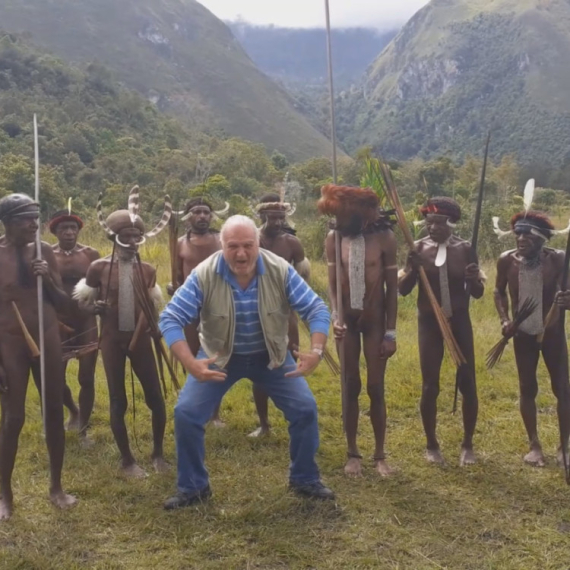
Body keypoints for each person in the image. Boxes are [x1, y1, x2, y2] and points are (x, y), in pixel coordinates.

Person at [160, 215, 334, 509]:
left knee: (305, 409)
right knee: (187, 413)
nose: (241, 254)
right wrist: (190, 362)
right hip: (219, 356)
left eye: (247, 245)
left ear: (258, 243)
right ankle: (193, 487)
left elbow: (316, 308)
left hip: (272, 356)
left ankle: (305, 478)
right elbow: (171, 317)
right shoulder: (204, 273)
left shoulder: (280, 270)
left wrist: (316, 352)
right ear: (221, 246)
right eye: (232, 247)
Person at [74, 188, 171, 477]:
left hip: (140, 342)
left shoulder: (149, 270)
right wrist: (96, 309)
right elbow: (83, 304)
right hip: (112, 342)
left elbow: (152, 308)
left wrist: (148, 333)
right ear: (113, 237)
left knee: (155, 396)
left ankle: (158, 453)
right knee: (118, 400)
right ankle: (127, 459)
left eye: (135, 236)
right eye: (125, 236)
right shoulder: (98, 267)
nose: (131, 241)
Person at [0, 194, 76, 521]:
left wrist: (45, 277)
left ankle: (56, 487)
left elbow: (62, 302)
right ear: (7, 222)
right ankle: (5, 496)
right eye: (25, 219)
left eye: (35, 217)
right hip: (10, 343)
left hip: (46, 338)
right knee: (13, 419)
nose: (33, 224)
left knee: (52, 411)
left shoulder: (44, 251)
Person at [318, 184, 398, 476]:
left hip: (375, 321)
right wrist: (335, 316)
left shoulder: (385, 238)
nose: (376, 213)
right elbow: (332, 283)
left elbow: (391, 290)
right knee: (350, 385)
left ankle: (379, 455)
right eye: (371, 209)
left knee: (376, 387)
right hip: (347, 324)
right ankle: (352, 453)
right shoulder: (334, 238)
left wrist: (391, 333)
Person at [399, 197, 484, 466]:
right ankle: (431, 445)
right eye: (429, 222)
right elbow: (403, 290)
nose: (432, 227)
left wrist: (473, 279)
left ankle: (468, 444)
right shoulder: (418, 248)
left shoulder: (466, 249)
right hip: (429, 323)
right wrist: (412, 269)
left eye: (438, 223)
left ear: (451, 223)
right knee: (430, 385)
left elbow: (478, 293)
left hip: (459, 321)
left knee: (468, 382)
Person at [494, 211, 570, 466]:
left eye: (528, 234)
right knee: (528, 388)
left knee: (562, 389)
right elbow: (498, 291)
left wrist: (566, 301)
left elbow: (568, 293)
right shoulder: (506, 261)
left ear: (542, 239)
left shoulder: (559, 259)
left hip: (553, 333)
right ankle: (534, 446)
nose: (521, 239)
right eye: (518, 234)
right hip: (522, 334)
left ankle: (564, 448)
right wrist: (505, 320)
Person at [249, 193, 311, 437]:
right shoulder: (250, 240)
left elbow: (302, 281)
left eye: (280, 217)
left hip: (285, 313)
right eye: (271, 217)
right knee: (259, 367)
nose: (276, 222)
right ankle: (264, 423)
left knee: (289, 361)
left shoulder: (292, 243)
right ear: (262, 216)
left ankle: (295, 416)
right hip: (255, 311)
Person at [167, 197, 224, 426]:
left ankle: (215, 413)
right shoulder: (179, 243)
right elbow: (178, 277)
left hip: (219, 305)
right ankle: (194, 405)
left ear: (211, 216)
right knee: (190, 354)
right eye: (197, 212)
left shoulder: (222, 240)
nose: (202, 216)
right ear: (188, 216)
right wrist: (174, 288)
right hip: (190, 307)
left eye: (206, 212)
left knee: (216, 357)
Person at [50, 206, 100, 444]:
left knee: (87, 378)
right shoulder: (46, 255)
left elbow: (102, 284)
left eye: (73, 228)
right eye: (63, 228)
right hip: (58, 323)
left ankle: (83, 429)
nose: (69, 232)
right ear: (54, 231)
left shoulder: (91, 254)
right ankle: (73, 409)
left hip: (86, 322)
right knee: (55, 378)